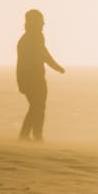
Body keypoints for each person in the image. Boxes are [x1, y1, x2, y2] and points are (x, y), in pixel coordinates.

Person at [16, 9, 65, 141]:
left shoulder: (33, 37)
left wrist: (56, 67)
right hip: (32, 79)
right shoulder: (31, 38)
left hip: (35, 78)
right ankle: (32, 135)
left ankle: (28, 135)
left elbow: (43, 54)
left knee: (37, 106)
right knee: (37, 106)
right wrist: (57, 67)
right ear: (33, 23)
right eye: (40, 22)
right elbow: (43, 55)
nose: (43, 25)